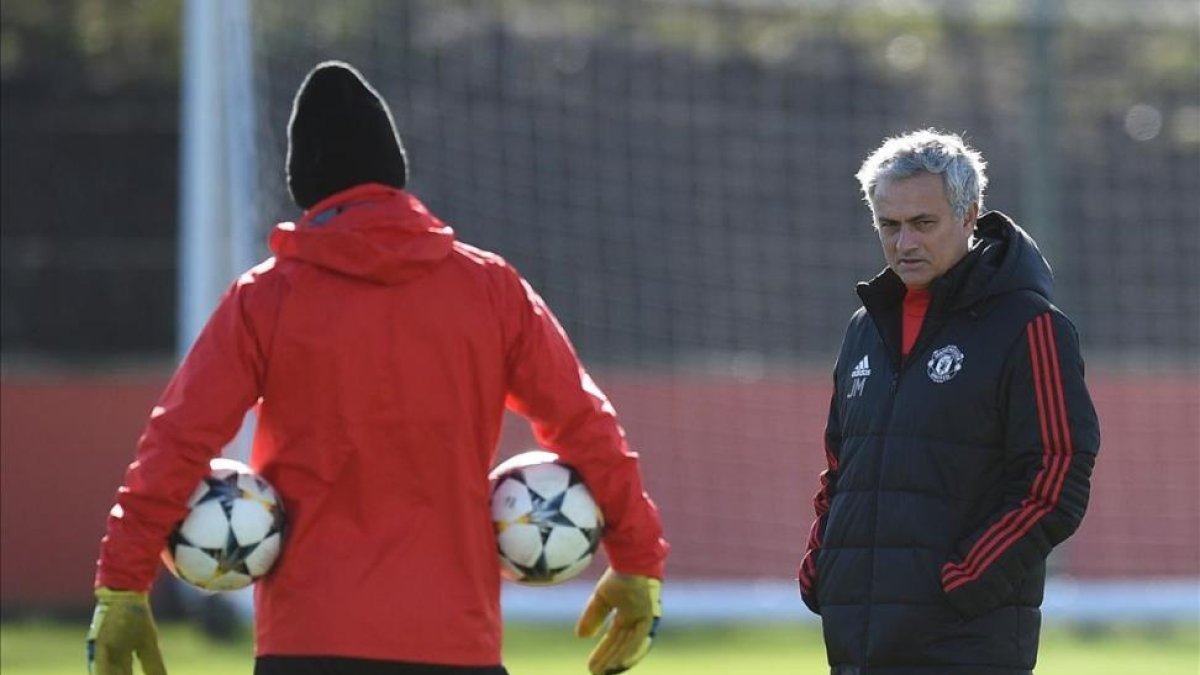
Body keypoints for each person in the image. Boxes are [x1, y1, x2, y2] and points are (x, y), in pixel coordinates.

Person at [87, 60, 668, 675]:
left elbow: (175, 444)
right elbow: (586, 427)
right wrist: (638, 560)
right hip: (455, 646)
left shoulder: (266, 298)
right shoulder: (492, 290)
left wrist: (122, 583)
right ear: (398, 177)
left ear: (305, 186)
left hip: (307, 644)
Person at [797, 129, 1100, 674]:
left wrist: (964, 581)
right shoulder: (864, 328)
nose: (904, 243)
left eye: (923, 224)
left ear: (969, 215)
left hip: (965, 641)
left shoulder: (1030, 326)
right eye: (889, 225)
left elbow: (1057, 475)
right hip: (856, 639)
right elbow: (841, 467)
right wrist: (826, 564)